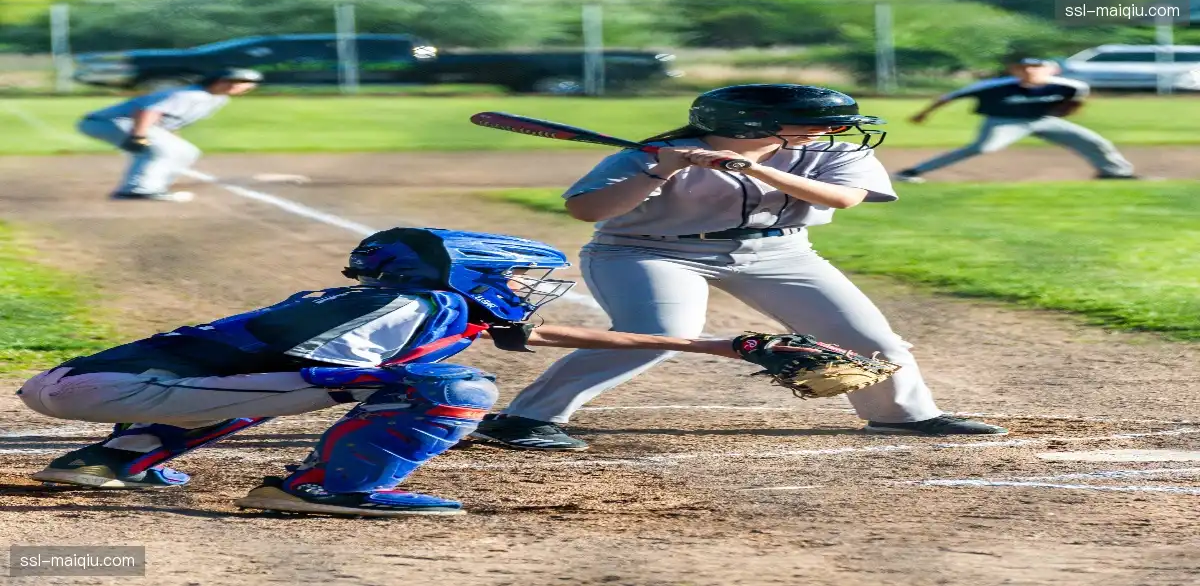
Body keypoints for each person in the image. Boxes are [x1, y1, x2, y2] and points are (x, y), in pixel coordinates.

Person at [16, 228, 812, 517]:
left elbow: (540, 334)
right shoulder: (419, 307)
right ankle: (321, 489)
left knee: (323, 385)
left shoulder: (407, 299)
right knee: (451, 388)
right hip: (132, 387)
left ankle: (110, 462)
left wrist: (720, 347)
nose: (520, 292)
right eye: (511, 277)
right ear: (471, 271)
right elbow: (321, 365)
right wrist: (391, 389)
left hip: (89, 383)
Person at [471, 83, 1008, 452]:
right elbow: (585, 210)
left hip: (779, 252)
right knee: (660, 334)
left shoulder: (828, 154)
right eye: (815, 122)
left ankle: (900, 415)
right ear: (753, 123)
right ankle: (526, 418)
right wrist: (660, 171)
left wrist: (757, 170)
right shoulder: (650, 156)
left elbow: (843, 199)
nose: (832, 129)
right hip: (646, 251)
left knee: (870, 341)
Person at [893, 56, 1136, 183]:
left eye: (1038, 67)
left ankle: (1114, 172)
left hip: (1042, 120)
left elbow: (1076, 100)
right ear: (1016, 71)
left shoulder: (1071, 86)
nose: (1031, 71)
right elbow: (950, 96)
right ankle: (912, 171)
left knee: (1093, 141)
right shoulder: (995, 86)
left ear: (1052, 70)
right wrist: (924, 113)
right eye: (1025, 68)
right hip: (1002, 122)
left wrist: (1068, 111)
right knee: (982, 148)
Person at [76, 68, 264, 203]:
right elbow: (147, 111)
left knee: (187, 152)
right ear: (218, 82)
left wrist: (172, 139)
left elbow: (171, 121)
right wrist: (138, 136)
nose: (243, 86)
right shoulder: (190, 95)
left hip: (123, 122)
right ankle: (138, 190)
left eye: (246, 83)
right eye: (238, 81)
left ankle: (155, 187)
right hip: (108, 122)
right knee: (161, 151)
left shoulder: (217, 99)